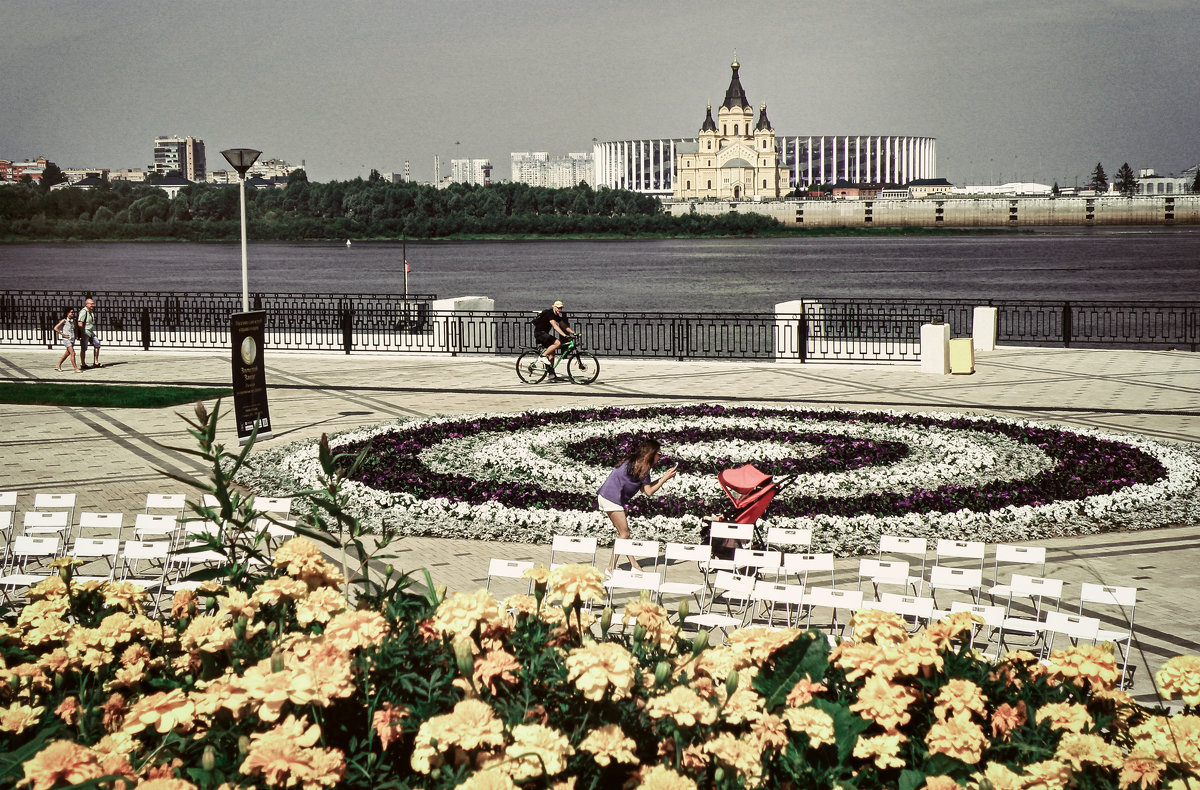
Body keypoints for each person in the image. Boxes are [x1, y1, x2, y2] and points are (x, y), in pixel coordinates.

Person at [598, 437, 678, 574]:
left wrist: (663, 477)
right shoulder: (644, 468)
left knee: (624, 534)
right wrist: (665, 478)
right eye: (659, 454)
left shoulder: (633, 461)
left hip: (607, 496)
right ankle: (610, 568)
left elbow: (643, 489)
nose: (660, 457)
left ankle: (634, 565)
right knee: (624, 533)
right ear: (652, 454)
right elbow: (649, 492)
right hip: (611, 498)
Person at [531, 299, 575, 380]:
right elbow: (555, 326)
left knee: (552, 352)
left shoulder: (556, 315)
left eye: (561, 308)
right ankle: (543, 356)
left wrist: (573, 333)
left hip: (544, 334)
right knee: (558, 343)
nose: (560, 310)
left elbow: (564, 325)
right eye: (558, 308)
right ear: (554, 307)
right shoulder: (550, 313)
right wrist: (565, 336)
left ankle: (551, 373)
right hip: (540, 333)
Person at [77, 296, 101, 369]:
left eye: (93, 304)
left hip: (90, 331)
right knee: (84, 348)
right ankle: (83, 364)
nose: (93, 305)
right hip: (85, 332)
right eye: (91, 304)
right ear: (87, 304)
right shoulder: (83, 312)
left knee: (97, 344)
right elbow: (80, 323)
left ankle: (96, 362)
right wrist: (82, 333)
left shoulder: (91, 311)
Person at [53, 307, 80, 372]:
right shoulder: (64, 321)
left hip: (72, 338)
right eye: (71, 312)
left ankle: (58, 365)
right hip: (66, 339)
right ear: (67, 313)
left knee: (67, 353)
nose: (73, 314)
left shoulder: (74, 321)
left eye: (73, 312)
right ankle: (75, 368)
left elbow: (75, 329)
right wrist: (63, 334)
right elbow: (56, 328)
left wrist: (76, 336)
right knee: (73, 353)